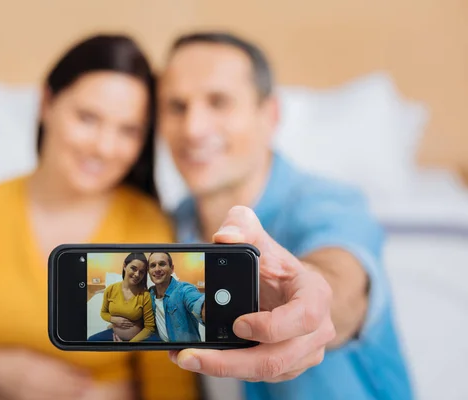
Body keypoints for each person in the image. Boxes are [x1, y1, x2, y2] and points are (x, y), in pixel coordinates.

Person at [0, 34, 199, 400]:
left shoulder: (147, 225)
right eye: (87, 117)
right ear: (47, 103)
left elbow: (170, 380)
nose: (104, 147)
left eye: (128, 130)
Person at [158, 32, 414, 400]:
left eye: (219, 102)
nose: (193, 128)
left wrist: (316, 298)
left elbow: (343, 280)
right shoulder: (168, 228)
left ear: (270, 114)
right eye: (176, 106)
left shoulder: (328, 203)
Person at [88, 253, 160, 342]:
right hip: (114, 336)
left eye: (141, 272)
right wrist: (113, 319)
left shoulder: (145, 295)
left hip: (138, 340)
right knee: (91, 340)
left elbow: (150, 327)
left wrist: (129, 345)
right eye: (133, 268)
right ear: (125, 266)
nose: (137, 274)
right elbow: (103, 313)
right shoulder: (111, 289)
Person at [147, 252, 205, 342]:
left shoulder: (184, 290)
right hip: (163, 353)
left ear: (172, 269)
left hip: (188, 353)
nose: (157, 269)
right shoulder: (150, 294)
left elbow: (197, 302)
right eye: (153, 265)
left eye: (162, 264)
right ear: (149, 271)